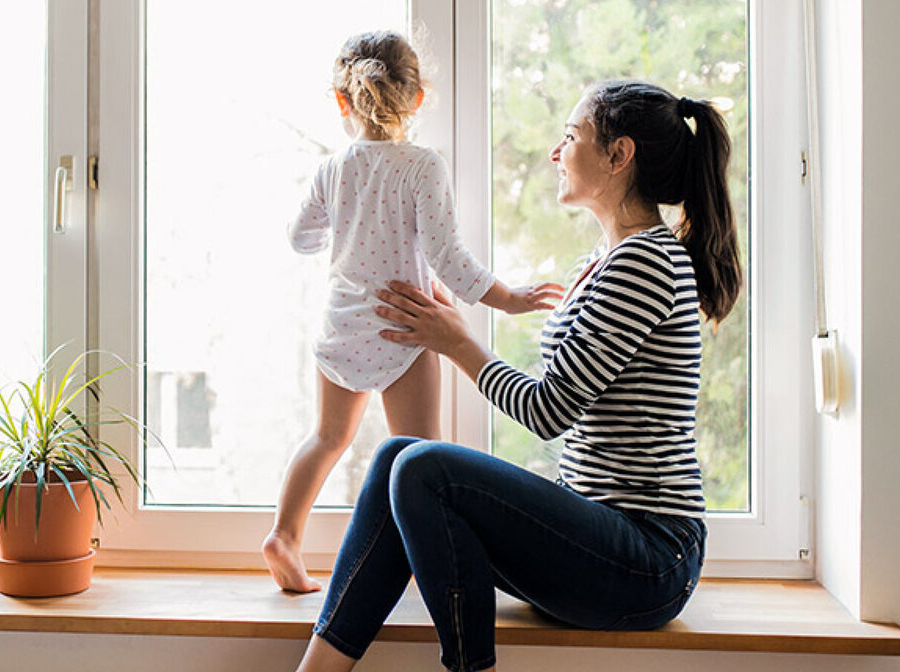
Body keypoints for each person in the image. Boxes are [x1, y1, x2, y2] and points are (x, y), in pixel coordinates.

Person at [293, 79, 743, 672]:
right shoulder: (603, 261)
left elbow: (546, 410)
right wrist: (450, 330)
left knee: (424, 467)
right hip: (600, 537)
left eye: (570, 136)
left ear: (618, 155)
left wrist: (456, 341)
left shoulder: (646, 262)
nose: (557, 153)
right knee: (396, 456)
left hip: (648, 559)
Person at [264, 30, 563, 594]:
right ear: (419, 97)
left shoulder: (335, 168)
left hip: (343, 325)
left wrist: (346, 222)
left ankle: (284, 535)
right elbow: (450, 261)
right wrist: (512, 298)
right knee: (422, 458)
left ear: (342, 100)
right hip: (406, 326)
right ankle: (426, 568)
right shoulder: (424, 167)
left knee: (327, 438)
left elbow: (300, 237)